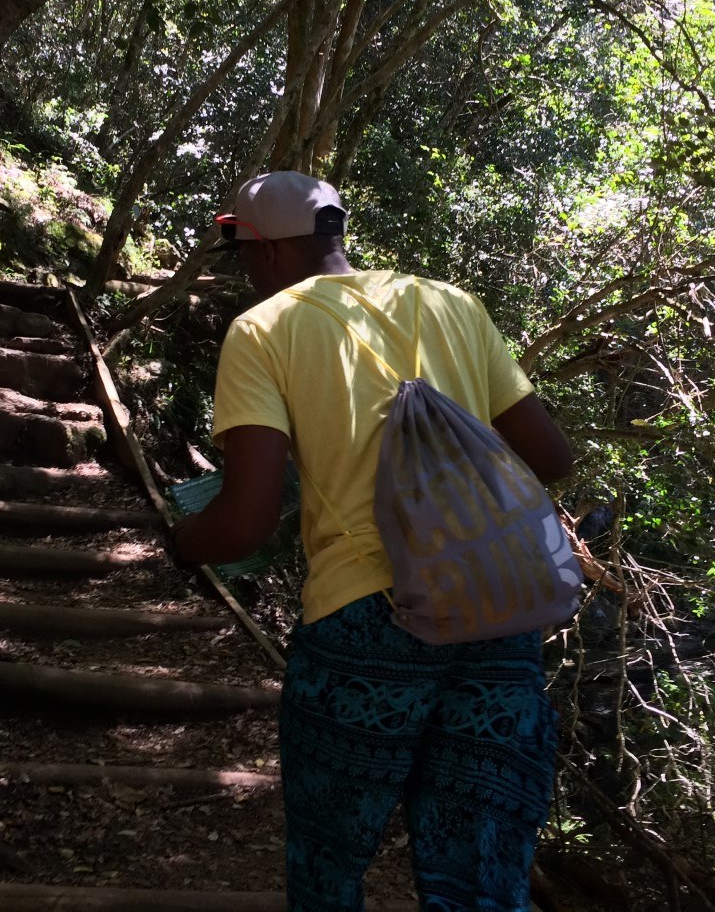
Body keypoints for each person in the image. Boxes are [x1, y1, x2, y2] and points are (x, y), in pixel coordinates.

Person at [169, 170, 574, 912]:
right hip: (495, 619)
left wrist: (182, 542)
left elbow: (243, 522)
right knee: (480, 879)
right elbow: (551, 459)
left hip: (367, 622)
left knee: (329, 869)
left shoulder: (264, 332)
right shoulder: (452, 304)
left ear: (261, 252)